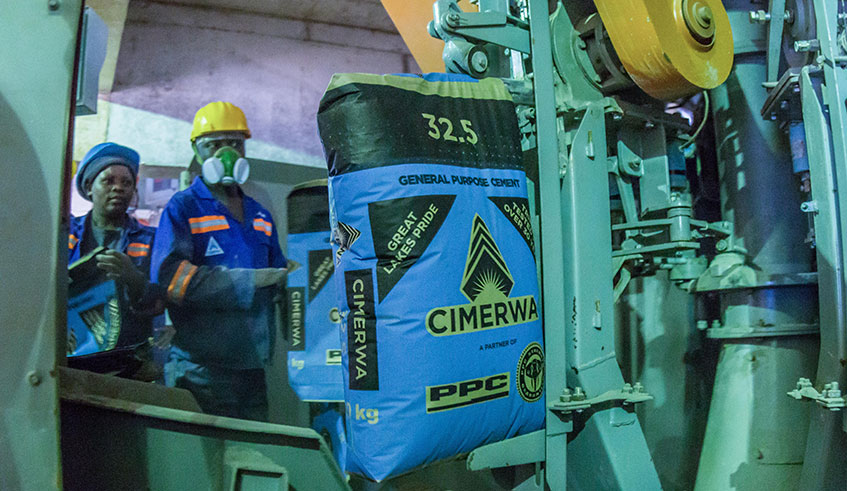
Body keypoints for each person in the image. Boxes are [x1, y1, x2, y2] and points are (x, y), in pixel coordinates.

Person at [150, 101, 287, 421]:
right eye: (214, 145)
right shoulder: (184, 208)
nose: (227, 155)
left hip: (252, 366)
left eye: (235, 144)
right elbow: (171, 279)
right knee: (207, 463)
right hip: (202, 370)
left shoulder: (260, 215)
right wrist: (246, 280)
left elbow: (278, 275)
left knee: (252, 455)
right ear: (197, 151)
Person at [68, 142, 163, 373]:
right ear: (89, 186)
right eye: (108, 181)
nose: (118, 188)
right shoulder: (66, 234)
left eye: (126, 182)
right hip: (72, 356)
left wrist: (133, 278)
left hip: (131, 362)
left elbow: (160, 302)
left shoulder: (152, 240)